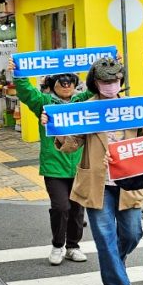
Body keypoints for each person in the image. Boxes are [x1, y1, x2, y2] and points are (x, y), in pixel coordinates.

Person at [54, 57, 143, 285]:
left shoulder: (133, 107)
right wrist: (57, 128)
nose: (110, 84)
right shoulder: (86, 108)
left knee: (133, 233)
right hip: (97, 184)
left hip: (129, 181)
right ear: (95, 82)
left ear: (121, 81)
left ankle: (115, 262)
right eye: (105, 81)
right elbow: (71, 144)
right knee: (104, 237)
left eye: (115, 80)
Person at [8, 58, 92, 265]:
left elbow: (101, 85)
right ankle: (57, 245)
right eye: (62, 82)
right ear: (53, 84)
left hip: (80, 165)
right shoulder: (44, 103)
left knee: (77, 209)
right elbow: (26, 91)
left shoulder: (83, 100)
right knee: (61, 207)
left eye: (70, 82)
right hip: (54, 166)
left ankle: (73, 246)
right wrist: (19, 72)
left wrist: (113, 65)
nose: (66, 86)